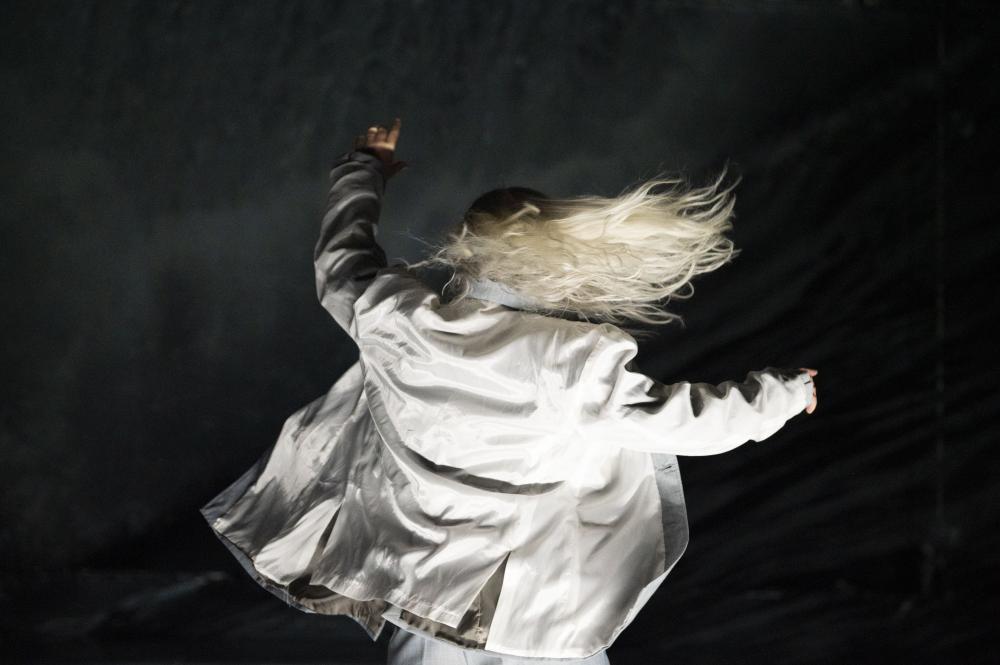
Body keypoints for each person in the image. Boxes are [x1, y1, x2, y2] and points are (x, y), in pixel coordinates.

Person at [199, 117, 819, 665]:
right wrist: (780, 396)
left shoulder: (397, 318)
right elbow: (683, 423)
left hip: (424, 608)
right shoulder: (571, 357)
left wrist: (363, 171)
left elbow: (340, 261)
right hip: (531, 618)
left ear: (468, 251)